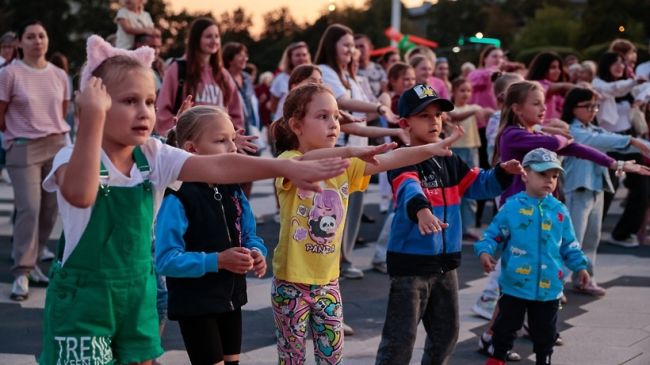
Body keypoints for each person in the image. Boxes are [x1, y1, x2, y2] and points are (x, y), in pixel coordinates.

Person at [38, 34, 349, 365]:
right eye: (130, 101)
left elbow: (219, 164)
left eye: (149, 101)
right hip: (85, 299)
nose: (145, 111)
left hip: (136, 294)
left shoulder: (152, 155)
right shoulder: (72, 156)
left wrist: (283, 166)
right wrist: (89, 123)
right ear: (93, 104)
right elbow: (81, 195)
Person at [269, 82, 462, 364]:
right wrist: (350, 151)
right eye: (323, 117)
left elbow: (393, 158)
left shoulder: (347, 166)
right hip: (290, 284)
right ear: (297, 125)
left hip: (328, 283)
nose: (334, 124)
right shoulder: (289, 160)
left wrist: (431, 148)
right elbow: (306, 162)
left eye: (336, 116)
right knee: (292, 359)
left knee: (332, 357)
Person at [375, 84, 523, 365]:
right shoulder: (401, 158)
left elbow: (478, 184)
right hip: (411, 266)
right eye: (424, 116)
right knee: (400, 338)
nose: (434, 121)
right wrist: (422, 212)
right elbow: (409, 188)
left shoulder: (448, 159)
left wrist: (502, 172)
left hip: (446, 264)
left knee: (446, 334)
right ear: (406, 123)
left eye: (438, 115)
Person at [155, 106, 268, 365]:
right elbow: (166, 260)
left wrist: (256, 252)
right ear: (192, 149)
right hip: (196, 304)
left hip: (230, 298)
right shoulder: (178, 196)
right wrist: (217, 260)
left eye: (232, 139)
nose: (231, 147)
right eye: (220, 140)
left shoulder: (232, 188)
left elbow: (249, 234)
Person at [475, 148, 591, 365]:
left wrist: (580, 266)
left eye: (554, 176)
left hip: (550, 288)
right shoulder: (511, 207)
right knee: (505, 327)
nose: (549, 180)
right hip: (514, 285)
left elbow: (569, 244)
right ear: (525, 175)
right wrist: (484, 252)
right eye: (542, 174)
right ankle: (497, 358)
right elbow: (491, 235)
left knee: (545, 332)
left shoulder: (559, 210)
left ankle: (543, 360)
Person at [0, 20, 70, 301]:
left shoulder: (59, 75)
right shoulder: (9, 74)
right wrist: (17, 136)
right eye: (30, 36)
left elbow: (62, 112)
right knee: (29, 208)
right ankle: (21, 272)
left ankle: (37, 260)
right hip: (23, 146)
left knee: (50, 212)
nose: (37, 41)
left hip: (54, 146)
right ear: (20, 42)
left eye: (42, 35)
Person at [562, 87, 650, 296]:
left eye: (595, 106)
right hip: (579, 188)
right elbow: (603, 141)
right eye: (588, 106)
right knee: (572, 238)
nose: (593, 110)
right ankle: (555, 282)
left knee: (591, 238)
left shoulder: (594, 128)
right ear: (574, 109)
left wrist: (639, 144)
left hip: (597, 187)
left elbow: (612, 139)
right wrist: (631, 140)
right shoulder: (572, 130)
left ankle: (585, 279)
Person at [592, 52, 649, 247]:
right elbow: (613, 89)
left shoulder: (629, 85)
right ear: (606, 65)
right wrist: (633, 83)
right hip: (607, 144)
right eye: (615, 63)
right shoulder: (599, 84)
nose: (620, 66)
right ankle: (591, 232)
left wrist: (640, 97)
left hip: (628, 141)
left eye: (622, 63)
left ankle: (623, 233)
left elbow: (645, 88)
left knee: (642, 190)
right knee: (608, 190)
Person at [156, 17, 243, 136]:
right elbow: (162, 109)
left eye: (217, 36)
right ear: (196, 39)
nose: (214, 41)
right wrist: (175, 133)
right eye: (208, 36)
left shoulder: (223, 75)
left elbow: (235, 111)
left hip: (219, 145)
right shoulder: (178, 69)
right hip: (189, 145)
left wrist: (234, 136)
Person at [446, 77, 494, 240]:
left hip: (472, 149)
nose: (466, 94)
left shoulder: (474, 107)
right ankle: (452, 226)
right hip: (455, 150)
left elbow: (488, 113)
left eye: (468, 90)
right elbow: (454, 116)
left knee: (470, 187)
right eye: (462, 90)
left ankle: (468, 226)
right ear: (453, 92)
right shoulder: (450, 108)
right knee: (453, 189)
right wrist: (475, 111)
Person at [268, 41, 311, 121]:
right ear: (290, 58)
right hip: (284, 126)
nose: (301, 58)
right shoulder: (280, 79)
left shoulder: (313, 78)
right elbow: (273, 107)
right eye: (297, 55)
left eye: (304, 55)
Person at [526, 52, 574, 120]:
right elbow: (560, 87)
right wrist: (579, 89)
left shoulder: (557, 90)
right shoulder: (535, 86)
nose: (558, 71)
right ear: (542, 68)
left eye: (559, 67)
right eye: (553, 67)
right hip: (543, 127)